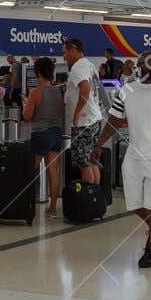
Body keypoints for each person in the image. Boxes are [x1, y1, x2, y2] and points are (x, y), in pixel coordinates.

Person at [92, 51, 151, 269]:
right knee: (134, 203)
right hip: (134, 154)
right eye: (147, 64)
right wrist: (98, 144)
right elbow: (114, 119)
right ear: (139, 67)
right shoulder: (127, 90)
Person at [22, 57, 65, 217]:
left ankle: (25, 204)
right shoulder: (57, 91)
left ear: (38, 73)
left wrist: (26, 104)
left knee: (29, 170)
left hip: (41, 134)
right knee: (52, 172)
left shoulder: (35, 92)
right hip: (56, 133)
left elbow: (27, 116)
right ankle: (52, 208)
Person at [63, 38, 102, 188]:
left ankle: (89, 198)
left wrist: (77, 112)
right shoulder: (89, 65)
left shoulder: (78, 68)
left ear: (73, 50)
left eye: (65, 52)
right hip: (94, 119)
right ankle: (95, 198)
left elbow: (85, 89)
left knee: (83, 162)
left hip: (84, 122)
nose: (64, 56)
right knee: (91, 161)